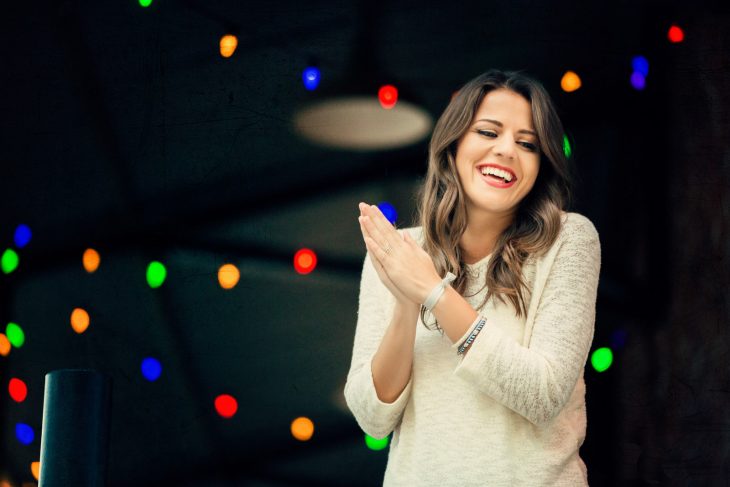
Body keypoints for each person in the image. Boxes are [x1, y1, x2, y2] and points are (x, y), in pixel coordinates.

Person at [344, 69, 602, 486]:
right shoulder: (401, 252)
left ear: (541, 165)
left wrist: (432, 291)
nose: (506, 151)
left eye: (527, 144)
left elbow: (543, 394)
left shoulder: (568, 239)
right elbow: (373, 418)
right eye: (488, 132)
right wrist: (407, 303)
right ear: (454, 144)